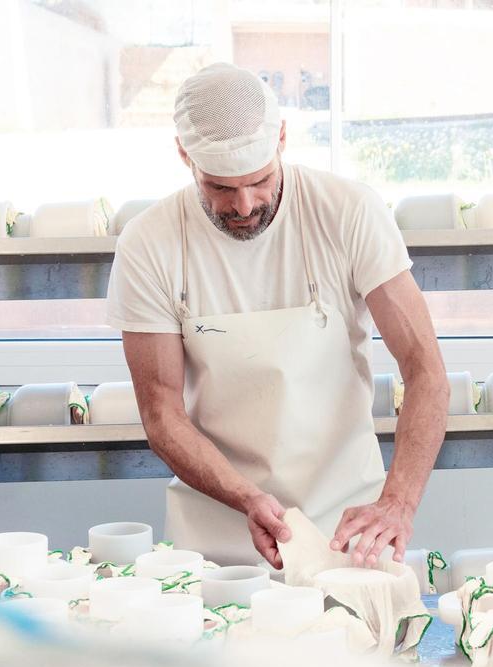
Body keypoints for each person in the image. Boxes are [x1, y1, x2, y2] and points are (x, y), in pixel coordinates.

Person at [106, 63, 449, 568]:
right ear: (184, 155)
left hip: (346, 524)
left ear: (283, 139)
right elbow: (162, 414)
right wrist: (247, 499)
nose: (245, 205)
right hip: (218, 529)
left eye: (260, 181)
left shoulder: (348, 211)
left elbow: (425, 371)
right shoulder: (149, 243)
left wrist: (397, 502)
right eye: (221, 188)